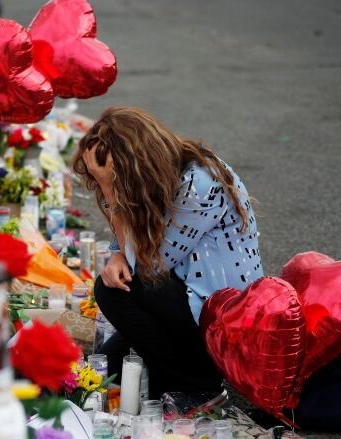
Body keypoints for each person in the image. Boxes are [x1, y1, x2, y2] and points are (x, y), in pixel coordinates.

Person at [72, 107, 263, 398]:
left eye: (111, 175)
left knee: (113, 291)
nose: (105, 184)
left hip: (221, 317)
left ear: (136, 162)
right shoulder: (167, 171)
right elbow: (137, 243)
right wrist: (117, 254)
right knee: (105, 367)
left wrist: (111, 191)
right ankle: (172, 372)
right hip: (188, 294)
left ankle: (201, 386)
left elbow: (152, 265)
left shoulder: (199, 184)